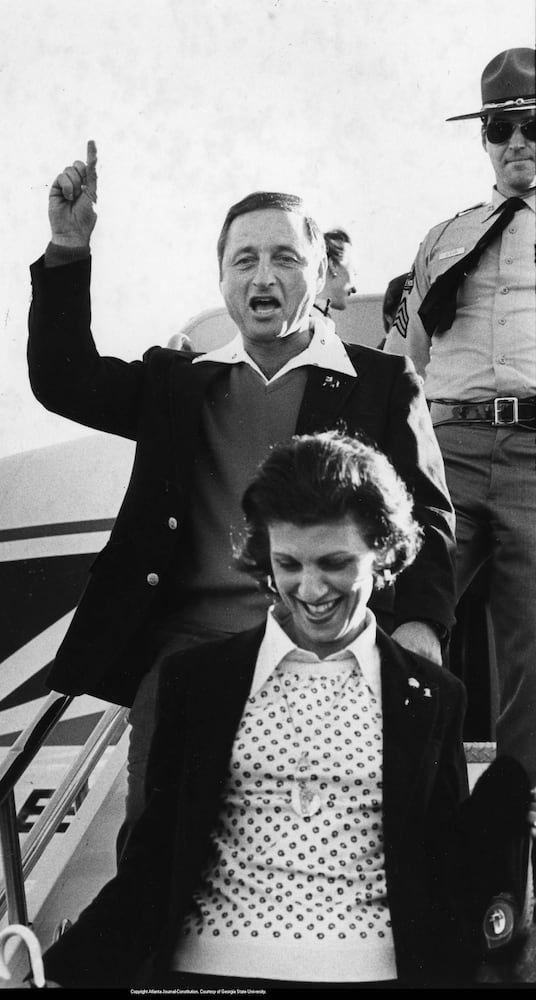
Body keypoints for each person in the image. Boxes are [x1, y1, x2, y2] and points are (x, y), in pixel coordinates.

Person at [27, 145, 456, 839]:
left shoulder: (381, 383)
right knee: (161, 852)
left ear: (319, 273)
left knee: (314, 850)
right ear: (222, 276)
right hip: (189, 652)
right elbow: (63, 378)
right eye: (244, 259)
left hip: (326, 644)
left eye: (285, 258)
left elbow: (428, 515)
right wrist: (68, 248)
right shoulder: (177, 381)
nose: (263, 275)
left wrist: (422, 623)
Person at [36, 433, 535, 989]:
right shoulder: (197, 681)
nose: (311, 588)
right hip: (212, 979)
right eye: (288, 564)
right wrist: (59, 973)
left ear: (383, 551)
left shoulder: (433, 696)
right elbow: (150, 870)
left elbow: (440, 881)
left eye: (335, 563)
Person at [384, 47, 536, 785]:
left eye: (533, 125)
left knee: (533, 643)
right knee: (405, 615)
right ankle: (419, 796)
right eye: (500, 128)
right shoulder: (444, 238)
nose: (517, 142)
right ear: (484, 139)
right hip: (446, 452)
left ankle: (516, 808)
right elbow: (402, 358)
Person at [314, 227, 357, 316]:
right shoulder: (312, 320)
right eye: (352, 271)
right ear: (333, 265)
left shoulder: (315, 316)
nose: (354, 290)